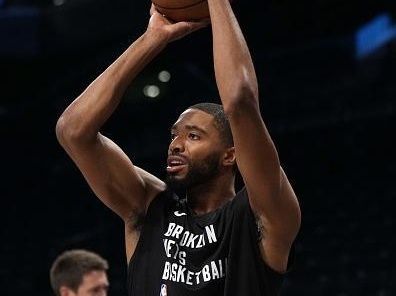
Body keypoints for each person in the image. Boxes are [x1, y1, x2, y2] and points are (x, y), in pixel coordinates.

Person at [56, 1, 301, 295]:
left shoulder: (262, 214)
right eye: (174, 135)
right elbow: (73, 131)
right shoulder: (149, 207)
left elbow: (240, 101)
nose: (176, 145)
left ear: (230, 154)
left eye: (194, 136)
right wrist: (152, 38)